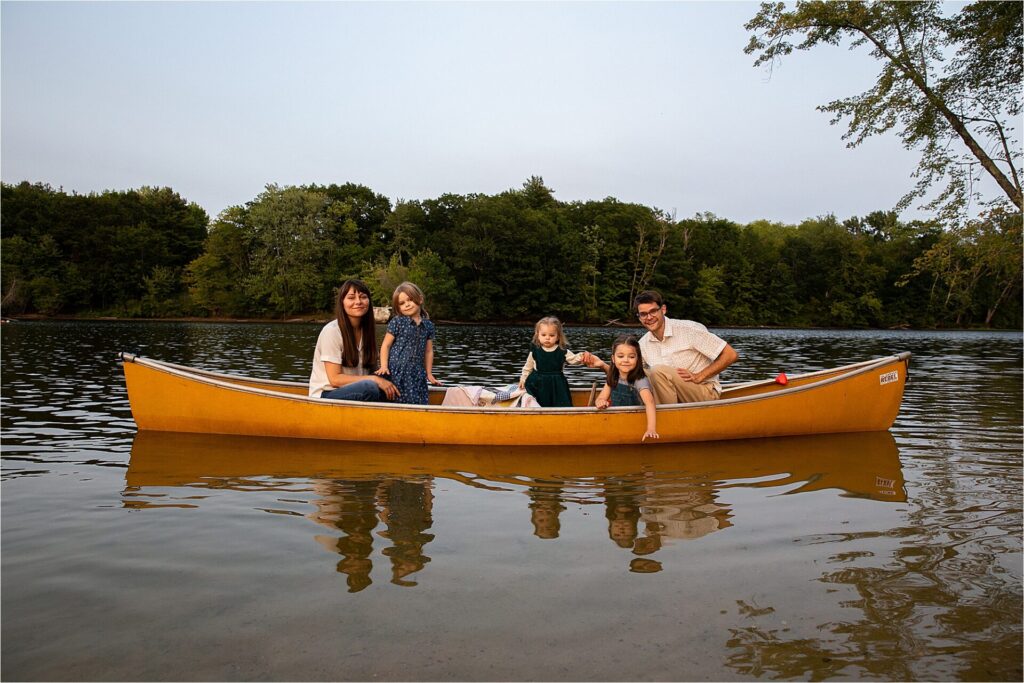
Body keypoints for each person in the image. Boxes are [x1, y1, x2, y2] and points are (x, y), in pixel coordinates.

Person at [584, 290, 738, 405]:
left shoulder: (688, 329)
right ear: (639, 317)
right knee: (644, 375)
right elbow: (628, 372)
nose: (649, 317)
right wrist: (602, 365)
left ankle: (665, 421)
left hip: (703, 393)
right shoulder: (643, 344)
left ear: (663, 309)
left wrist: (700, 376)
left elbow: (730, 355)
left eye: (653, 311)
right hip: (673, 397)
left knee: (658, 371)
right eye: (643, 314)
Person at [309, 279, 399, 402]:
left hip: (359, 390)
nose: (358, 302)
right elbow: (335, 380)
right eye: (351, 298)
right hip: (328, 394)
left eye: (363, 297)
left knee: (394, 378)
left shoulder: (367, 331)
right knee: (370, 387)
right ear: (342, 303)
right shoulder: (332, 331)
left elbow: (373, 371)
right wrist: (375, 380)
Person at [375, 281, 440, 405]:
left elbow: (428, 351)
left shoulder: (428, 325)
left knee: (418, 399)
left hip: (417, 371)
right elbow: (385, 345)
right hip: (397, 370)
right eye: (401, 303)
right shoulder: (397, 322)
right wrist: (383, 366)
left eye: (410, 300)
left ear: (420, 299)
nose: (407, 305)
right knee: (398, 398)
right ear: (398, 307)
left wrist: (429, 373)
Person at [594, 335, 659, 441]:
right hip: (617, 420)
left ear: (638, 359)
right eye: (620, 356)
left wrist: (651, 428)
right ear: (613, 359)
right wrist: (601, 402)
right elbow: (600, 398)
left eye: (631, 357)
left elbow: (650, 403)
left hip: (635, 420)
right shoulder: (613, 377)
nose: (626, 360)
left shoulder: (640, 380)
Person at [518, 316, 588, 407]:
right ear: (538, 335)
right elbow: (528, 367)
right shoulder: (535, 350)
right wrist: (523, 379)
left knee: (560, 404)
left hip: (557, 384)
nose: (547, 338)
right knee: (537, 403)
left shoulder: (562, 350)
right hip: (537, 384)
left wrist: (582, 356)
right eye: (543, 335)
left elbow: (574, 360)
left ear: (558, 336)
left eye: (551, 335)